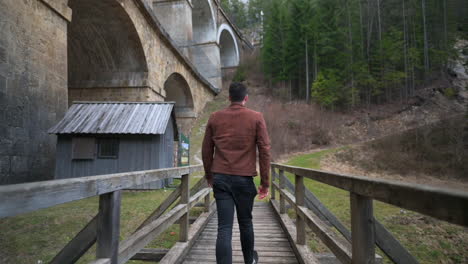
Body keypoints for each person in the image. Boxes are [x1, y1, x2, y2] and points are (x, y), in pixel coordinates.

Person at [202, 82, 271, 264]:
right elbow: (264, 150)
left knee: (224, 227)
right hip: (244, 179)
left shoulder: (215, 117)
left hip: (221, 179)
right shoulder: (256, 117)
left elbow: (206, 150)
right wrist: (265, 183)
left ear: (229, 98)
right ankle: (250, 261)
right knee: (246, 223)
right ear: (245, 99)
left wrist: (209, 175)